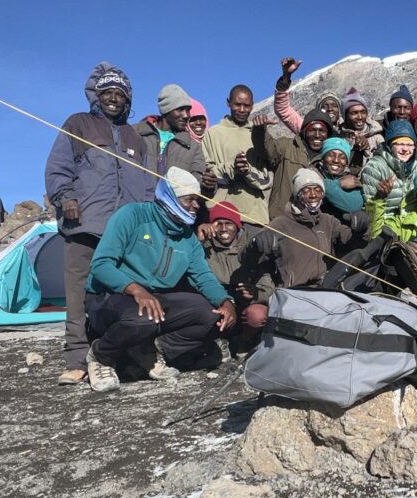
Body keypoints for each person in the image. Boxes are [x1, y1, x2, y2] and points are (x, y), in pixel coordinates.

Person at [45, 62, 157, 386]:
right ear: (96, 95)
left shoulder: (137, 138)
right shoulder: (78, 124)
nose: (113, 98)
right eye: (106, 92)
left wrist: (146, 221)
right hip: (85, 226)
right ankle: (77, 358)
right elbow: (58, 167)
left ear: (127, 99)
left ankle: (123, 356)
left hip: (126, 235)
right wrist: (66, 198)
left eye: (119, 94)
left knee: (123, 295)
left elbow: (148, 186)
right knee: (79, 293)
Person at [84, 167, 237, 392]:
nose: (196, 206)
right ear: (170, 197)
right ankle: (100, 355)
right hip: (109, 295)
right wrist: (135, 290)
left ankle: (151, 350)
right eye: (190, 200)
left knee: (209, 315)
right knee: (143, 319)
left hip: (153, 298)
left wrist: (226, 302)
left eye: (198, 201)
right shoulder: (132, 215)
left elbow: (203, 277)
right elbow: (101, 264)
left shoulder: (187, 236)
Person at [243, 168, 368, 290]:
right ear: (298, 194)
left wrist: (362, 230)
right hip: (295, 293)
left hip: (327, 291)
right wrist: (254, 244)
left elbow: (353, 244)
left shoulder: (329, 221)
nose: (313, 195)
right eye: (307, 190)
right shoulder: (281, 224)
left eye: (318, 190)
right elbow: (246, 258)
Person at [200, 201, 272, 353]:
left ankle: (244, 341)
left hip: (245, 305)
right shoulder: (204, 247)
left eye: (229, 223)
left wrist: (256, 294)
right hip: (218, 304)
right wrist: (197, 240)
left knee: (257, 315)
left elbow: (268, 283)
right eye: (218, 223)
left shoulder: (253, 246)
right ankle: (214, 343)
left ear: (238, 225)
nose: (224, 229)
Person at [200, 84, 273, 231]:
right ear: (228, 103)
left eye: (246, 106)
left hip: (254, 218)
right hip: (221, 216)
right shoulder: (213, 134)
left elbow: (267, 179)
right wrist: (232, 168)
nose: (241, 110)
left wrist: (247, 171)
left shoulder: (259, 135)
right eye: (237, 104)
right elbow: (207, 173)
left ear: (252, 106)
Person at [265, 105, 335, 219]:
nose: (317, 135)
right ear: (305, 131)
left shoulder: (331, 159)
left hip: (312, 224)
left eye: (322, 131)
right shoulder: (286, 146)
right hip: (280, 219)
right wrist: (260, 131)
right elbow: (268, 151)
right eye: (313, 130)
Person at [135, 85, 208, 188]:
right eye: (180, 110)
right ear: (166, 109)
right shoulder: (137, 133)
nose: (186, 115)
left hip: (173, 204)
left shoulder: (193, 145)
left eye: (187, 110)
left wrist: (208, 186)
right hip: (139, 202)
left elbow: (197, 183)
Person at [360, 120, 417, 216]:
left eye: (410, 145)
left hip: (410, 223)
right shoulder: (375, 167)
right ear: (390, 146)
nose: (405, 149)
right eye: (400, 144)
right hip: (384, 225)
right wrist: (379, 197)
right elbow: (369, 209)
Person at [315, 137, 364, 215]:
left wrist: (328, 187)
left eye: (342, 157)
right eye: (331, 155)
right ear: (323, 159)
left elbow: (353, 206)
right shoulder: (312, 173)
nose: (336, 160)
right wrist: (339, 183)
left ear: (346, 163)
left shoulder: (350, 179)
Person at [340, 87, 384, 169]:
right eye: (354, 113)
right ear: (345, 116)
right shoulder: (339, 138)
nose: (360, 117)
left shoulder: (377, 138)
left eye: (363, 112)